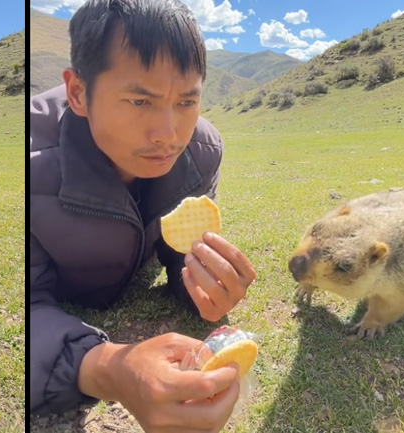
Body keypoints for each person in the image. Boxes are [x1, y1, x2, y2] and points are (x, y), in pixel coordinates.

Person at [29, 0, 258, 431]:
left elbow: (178, 257)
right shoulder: (29, 163)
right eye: (140, 101)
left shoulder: (202, 151)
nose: (168, 136)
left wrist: (202, 288)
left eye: (187, 101)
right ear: (78, 92)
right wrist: (109, 368)